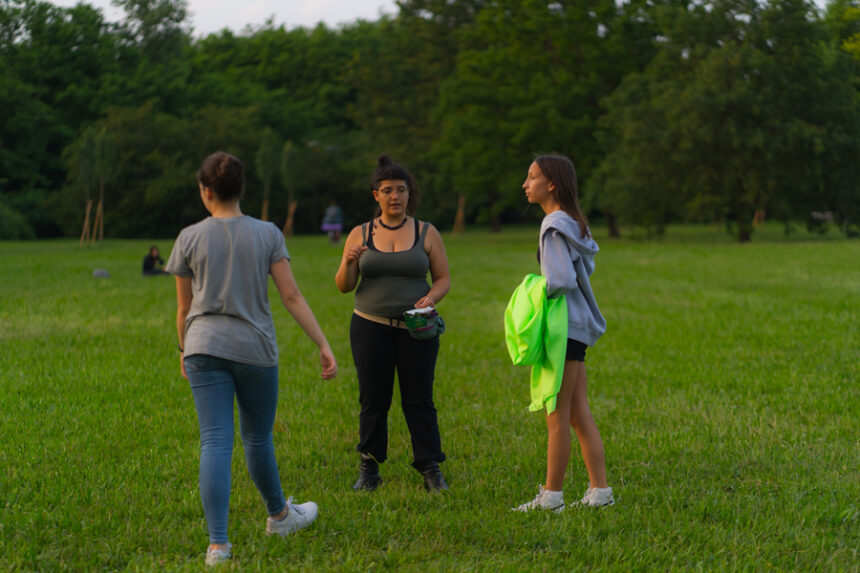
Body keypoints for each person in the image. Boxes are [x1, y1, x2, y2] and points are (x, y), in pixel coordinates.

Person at [165, 152, 338, 566]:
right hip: (255, 349)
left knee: (215, 441)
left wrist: (184, 350)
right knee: (257, 437)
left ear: (205, 191)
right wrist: (323, 344)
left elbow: (183, 310)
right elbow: (291, 296)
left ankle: (218, 546)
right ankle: (279, 516)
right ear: (242, 189)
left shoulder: (188, 237)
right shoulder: (267, 234)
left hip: (203, 346)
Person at [335, 155, 451, 492]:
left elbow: (443, 279)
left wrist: (432, 297)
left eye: (401, 190)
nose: (395, 196)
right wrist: (347, 261)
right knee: (374, 399)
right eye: (387, 191)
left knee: (419, 399)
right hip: (370, 326)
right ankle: (369, 468)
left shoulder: (427, 232)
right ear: (376, 195)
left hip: (417, 329)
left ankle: (430, 468)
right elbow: (344, 285)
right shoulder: (360, 233)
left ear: (409, 193)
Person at [514, 153, 614, 512]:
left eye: (532, 177)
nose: (526, 184)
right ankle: (600, 492)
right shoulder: (574, 222)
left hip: (563, 330)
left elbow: (560, 281)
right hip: (577, 328)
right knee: (577, 413)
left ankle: (551, 497)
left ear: (551, 184)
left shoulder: (553, 224)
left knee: (555, 415)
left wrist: (532, 289)